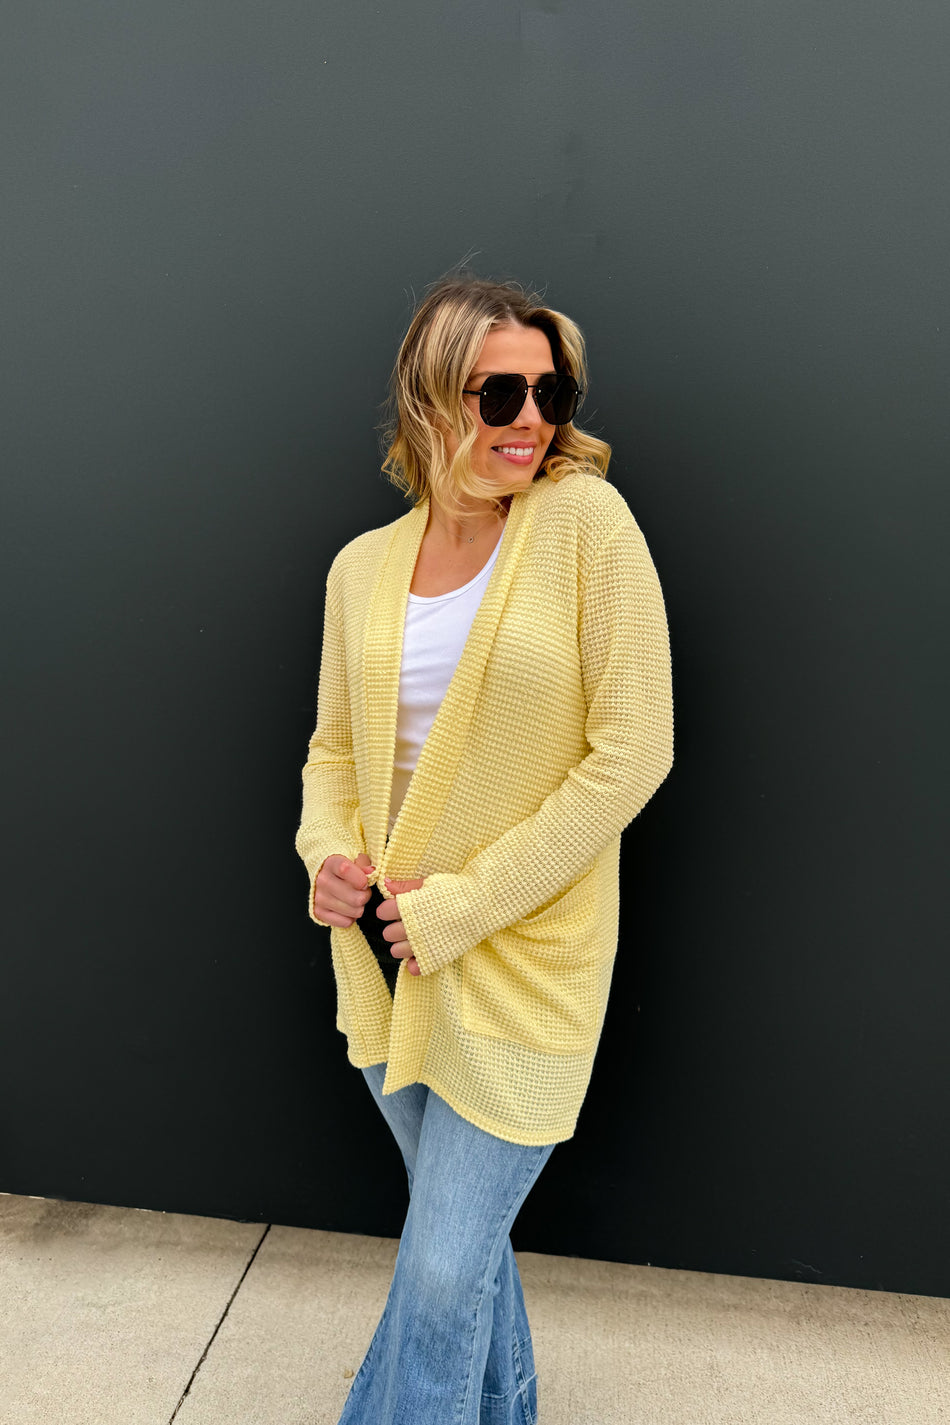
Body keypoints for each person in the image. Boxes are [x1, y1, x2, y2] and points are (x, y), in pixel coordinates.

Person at [295, 274, 673, 1425]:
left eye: (548, 392)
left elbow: (633, 750)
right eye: (497, 393)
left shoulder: (584, 524)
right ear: (430, 395)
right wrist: (324, 854)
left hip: (521, 956)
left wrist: (461, 904)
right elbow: (334, 751)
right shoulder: (360, 567)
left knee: (443, 1265)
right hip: (384, 958)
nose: (529, 419)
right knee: (457, 1249)